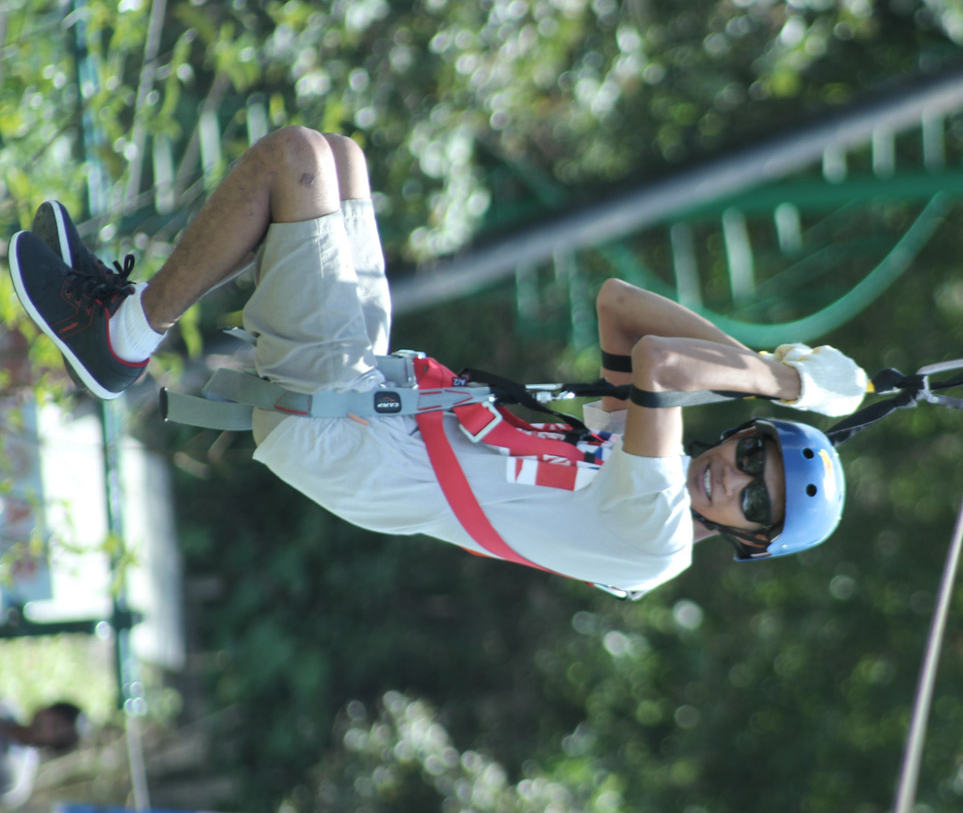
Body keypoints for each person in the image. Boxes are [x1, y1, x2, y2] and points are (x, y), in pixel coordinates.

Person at [8, 127, 869, 594]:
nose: (735, 476)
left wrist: (791, 384)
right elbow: (620, 307)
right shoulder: (632, 456)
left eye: (756, 499)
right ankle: (125, 327)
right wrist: (765, 358)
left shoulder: (658, 538)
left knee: (293, 162)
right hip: (372, 398)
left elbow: (664, 367)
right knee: (340, 159)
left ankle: (120, 337)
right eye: (755, 452)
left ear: (750, 539)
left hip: (349, 436)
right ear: (744, 435)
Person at [0, 700, 82, 809]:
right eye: (54, 720)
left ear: (54, 744)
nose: (46, 727)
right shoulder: (6, 709)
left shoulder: (14, 775)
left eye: (55, 728)